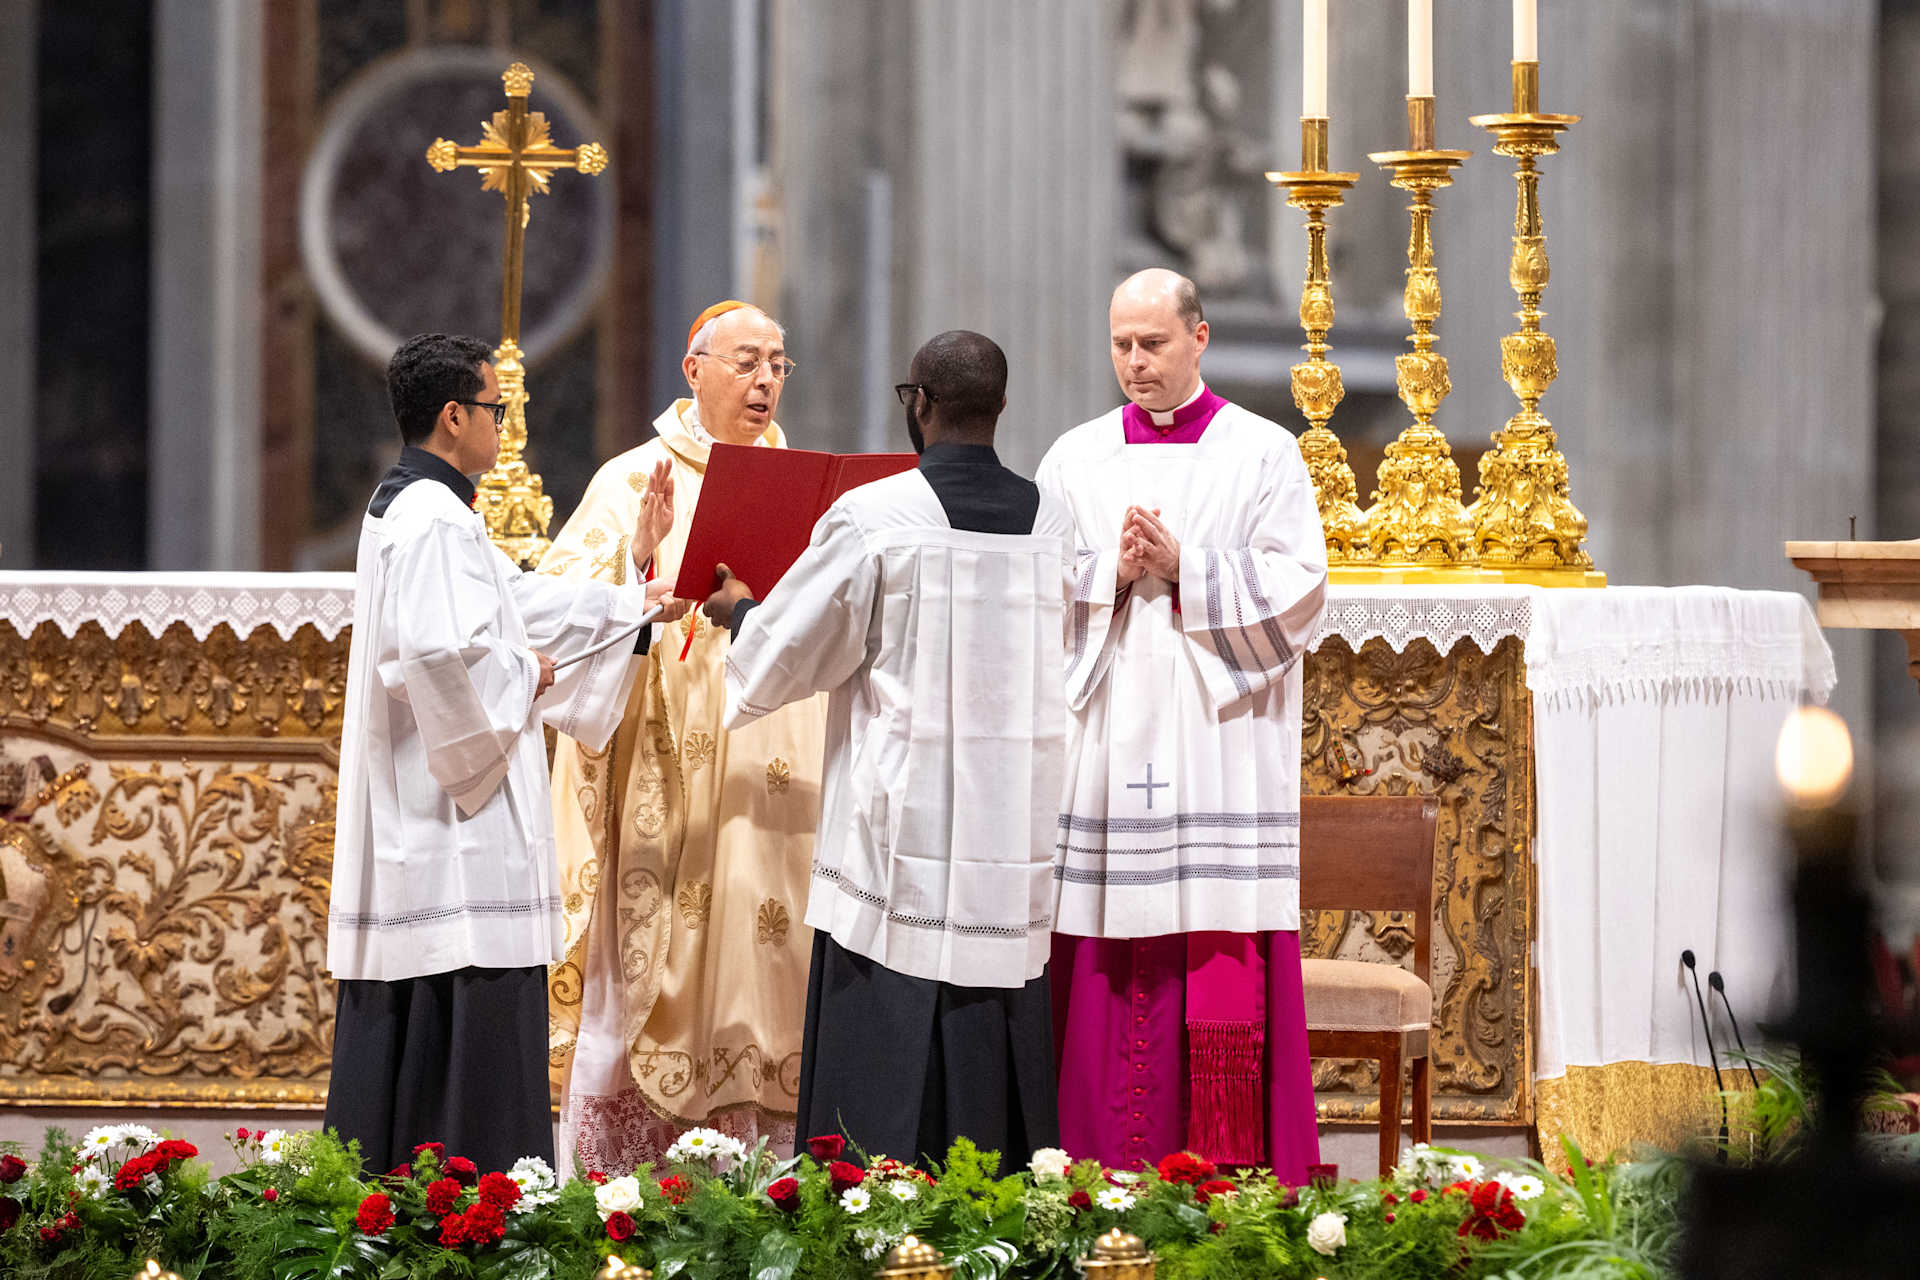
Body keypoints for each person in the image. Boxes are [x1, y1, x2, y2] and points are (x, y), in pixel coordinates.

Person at [702, 330, 1069, 1166]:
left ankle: (868, 1211)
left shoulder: (878, 517)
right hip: (1009, 833)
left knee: (883, 1074)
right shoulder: (1055, 518)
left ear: (919, 405)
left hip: (899, 838)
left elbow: (791, 649)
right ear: (1001, 408)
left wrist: (743, 613)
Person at [325, 333, 684, 1173]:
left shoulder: (429, 510)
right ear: (453, 416)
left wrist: (633, 597)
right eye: (495, 408)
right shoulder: (430, 520)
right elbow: (442, 658)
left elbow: (515, 602)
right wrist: (534, 673)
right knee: (462, 1035)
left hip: (437, 820)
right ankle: (473, 1212)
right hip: (449, 826)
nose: (504, 424)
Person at [1036, 269, 1329, 1178]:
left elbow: (1302, 587)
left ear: (1198, 340)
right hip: (1108, 734)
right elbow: (1038, 583)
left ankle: (1227, 1173)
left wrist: (1189, 569)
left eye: (1152, 344)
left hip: (1217, 743)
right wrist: (1110, 578)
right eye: (1121, 344)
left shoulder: (1264, 452)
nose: (1134, 362)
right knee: (1097, 946)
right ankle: (1083, 1168)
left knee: (1214, 935)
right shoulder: (1074, 458)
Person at [540, 302, 825, 1171]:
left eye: (777, 361)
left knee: (770, 934)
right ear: (693, 369)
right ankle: (643, 1184)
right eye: (746, 362)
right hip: (668, 754)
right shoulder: (633, 478)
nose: (766, 379)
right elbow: (557, 608)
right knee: (674, 928)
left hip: (780, 747)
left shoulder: (809, 485)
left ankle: (769, 1168)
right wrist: (637, 562)